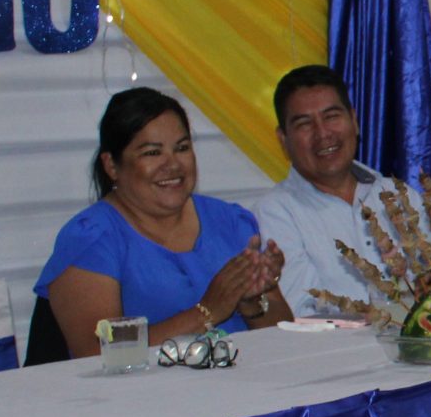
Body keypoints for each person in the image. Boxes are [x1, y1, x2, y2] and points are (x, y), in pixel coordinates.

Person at [37, 87, 290, 359]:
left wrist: (251, 303)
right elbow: (97, 355)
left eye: (182, 148)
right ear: (111, 165)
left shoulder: (230, 221)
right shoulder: (92, 238)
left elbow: (284, 338)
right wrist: (206, 312)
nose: (173, 164)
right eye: (152, 153)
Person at [254, 64, 414, 314]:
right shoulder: (274, 214)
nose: (323, 133)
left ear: (354, 121)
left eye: (331, 117)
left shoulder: (397, 194)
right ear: (283, 140)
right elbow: (303, 313)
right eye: (304, 124)